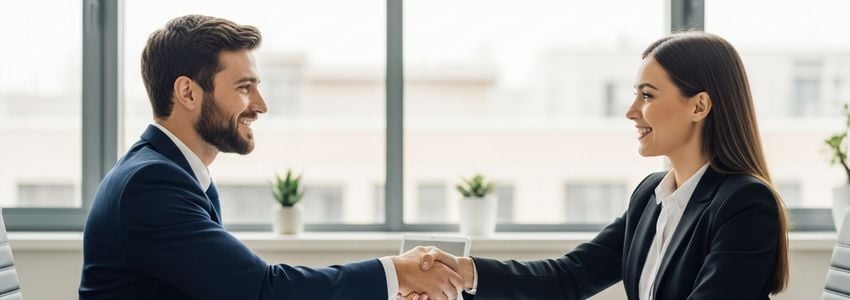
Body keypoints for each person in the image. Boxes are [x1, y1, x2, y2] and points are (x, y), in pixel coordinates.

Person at [79, 14, 463, 300]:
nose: (260, 105)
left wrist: (391, 285)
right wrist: (396, 273)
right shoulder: (151, 185)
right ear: (188, 93)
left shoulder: (173, 173)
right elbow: (261, 290)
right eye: (244, 88)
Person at [408, 32, 791, 299]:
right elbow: (570, 276)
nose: (631, 111)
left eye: (647, 96)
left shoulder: (745, 203)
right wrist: (464, 272)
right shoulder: (651, 195)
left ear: (699, 106)